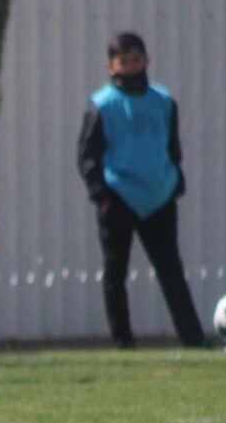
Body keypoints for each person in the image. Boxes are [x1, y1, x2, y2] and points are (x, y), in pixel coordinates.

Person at [78, 31, 209, 349]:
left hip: (158, 197)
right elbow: (87, 156)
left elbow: (172, 147)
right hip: (119, 196)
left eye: (137, 60)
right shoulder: (102, 104)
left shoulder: (163, 101)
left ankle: (193, 339)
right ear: (111, 65)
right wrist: (102, 197)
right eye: (124, 61)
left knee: (170, 269)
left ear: (147, 61)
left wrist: (175, 182)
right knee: (116, 271)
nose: (131, 67)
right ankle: (123, 342)